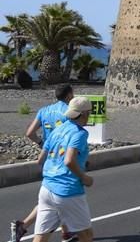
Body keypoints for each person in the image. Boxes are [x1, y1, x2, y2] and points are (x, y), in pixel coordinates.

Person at [12, 84, 76, 242]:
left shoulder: (44, 111)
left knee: (53, 197)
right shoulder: (69, 112)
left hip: (49, 157)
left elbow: (29, 133)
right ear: (69, 96)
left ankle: (66, 233)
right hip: (63, 158)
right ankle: (24, 225)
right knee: (62, 196)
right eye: (73, 95)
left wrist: (42, 144)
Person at [32, 97, 94, 242]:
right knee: (86, 235)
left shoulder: (58, 129)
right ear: (84, 114)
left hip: (47, 189)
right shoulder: (80, 133)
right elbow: (69, 160)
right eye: (89, 112)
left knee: (40, 238)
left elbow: (40, 160)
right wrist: (84, 177)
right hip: (68, 191)